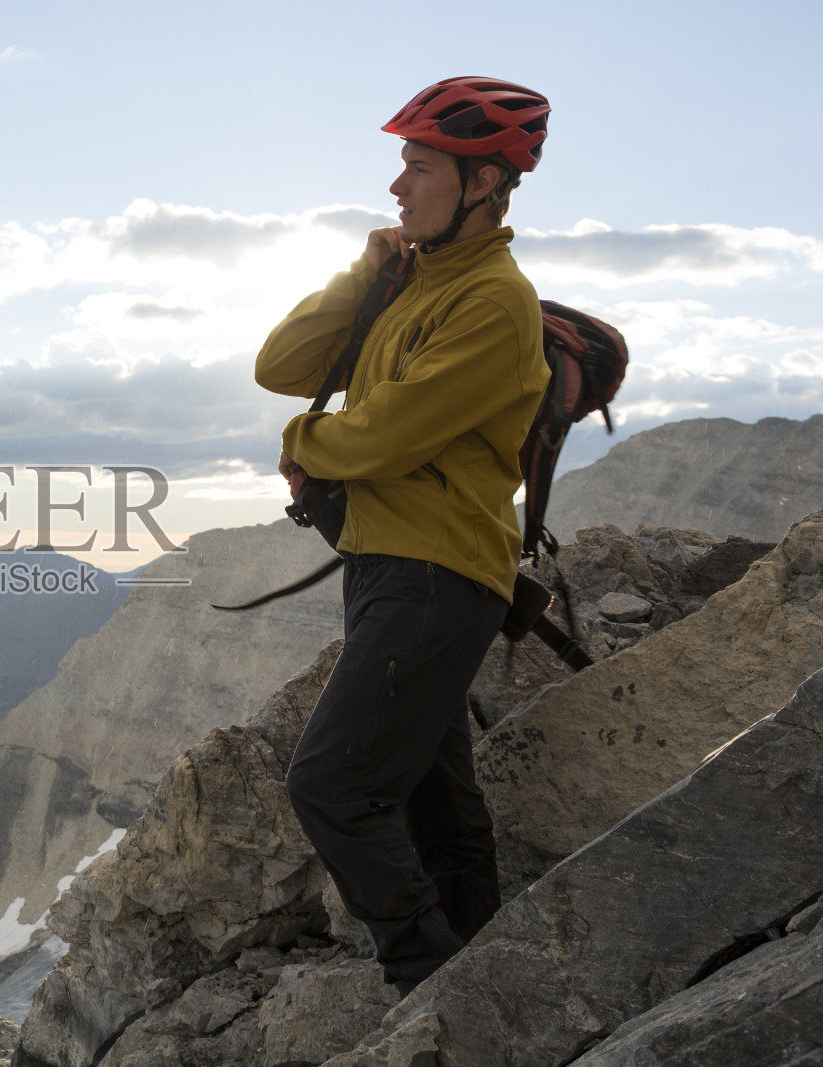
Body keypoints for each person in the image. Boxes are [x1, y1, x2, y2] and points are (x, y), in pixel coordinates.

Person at [254, 76, 552, 996]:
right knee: (430, 792)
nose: (396, 186)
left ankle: (431, 984)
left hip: (435, 575)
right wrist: (365, 275)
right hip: (394, 567)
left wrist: (305, 442)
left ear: (485, 183)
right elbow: (282, 365)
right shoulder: (413, 283)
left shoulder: (496, 303)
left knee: (332, 785)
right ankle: (485, 973)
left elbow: (383, 434)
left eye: (418, 167)